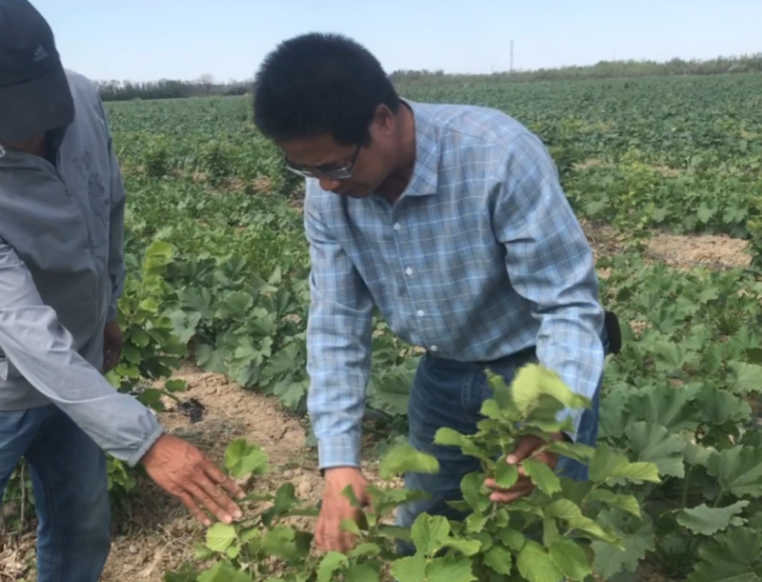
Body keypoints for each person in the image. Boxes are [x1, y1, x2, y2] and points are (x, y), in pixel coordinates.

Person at [0, 0, 243, 582]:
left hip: (78, 362)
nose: (36, 134)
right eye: (15, 119)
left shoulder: (82, 97)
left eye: (45, 108)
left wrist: (104, 304)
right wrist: (145, 441)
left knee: (83, 531)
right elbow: (22, 331)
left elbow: (106, 205)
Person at [251, 32, 611, 555]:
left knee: (544, 529)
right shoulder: (328, 193)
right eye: (305, 169)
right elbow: (335, 324)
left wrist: (551, 423)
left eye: (335, 166)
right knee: (426, 537)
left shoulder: (498, 156)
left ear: (382, 119)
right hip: (442, 376)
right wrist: (340, 463)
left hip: (536, 370)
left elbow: (568, 304)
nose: (325, 184)